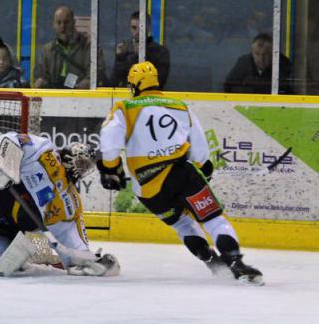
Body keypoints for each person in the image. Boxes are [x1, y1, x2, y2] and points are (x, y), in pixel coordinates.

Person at [97, 61, 263, 285]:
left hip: (147, 189)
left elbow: (110, 143)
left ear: (134, 86)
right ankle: (236, 264)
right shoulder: (179, 106)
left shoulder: (124, 108)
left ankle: (212, 262)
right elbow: (200, 149)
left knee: (183, 225)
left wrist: (110, 168)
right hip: (181, 174)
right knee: (213, 219)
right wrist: (203, 167)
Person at [0, 132, 120, 277]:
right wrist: (6, 167)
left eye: (85, 167)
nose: (81, 169)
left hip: (3, 226)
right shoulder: (46, 152)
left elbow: (74, 242)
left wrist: (89, 261)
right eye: (81, 162)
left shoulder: (70, 203)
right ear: (70, 153)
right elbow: (11, 139)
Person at [33, 5, 106, 89]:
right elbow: (39, 76)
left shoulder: (89, 46)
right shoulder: (47, 50)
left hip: (82, 98)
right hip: (54, 98)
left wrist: (79, 88)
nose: (62, 27)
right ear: (53, 25)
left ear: (74, 23)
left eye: (66, 22)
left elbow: (96, 76)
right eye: (59, 22)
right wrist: (41, 82)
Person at [111, 11, 170, 89]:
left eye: (141, 27)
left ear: (148, 28)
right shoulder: (124, 50)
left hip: (149, 99)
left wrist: (139, 55)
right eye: (134, 28)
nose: (138, 32)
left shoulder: (161, 52)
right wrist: (120, 58)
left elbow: (159, 83)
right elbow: (114, 82)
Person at [223, 33, 293, 94]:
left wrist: (251, 83)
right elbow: (228, 86)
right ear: (252, 52)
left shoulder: (283, 63)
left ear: (273, 53)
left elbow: (285, 89)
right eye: (257, 54)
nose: (261, 59)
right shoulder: (243, 62)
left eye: (265, 54)